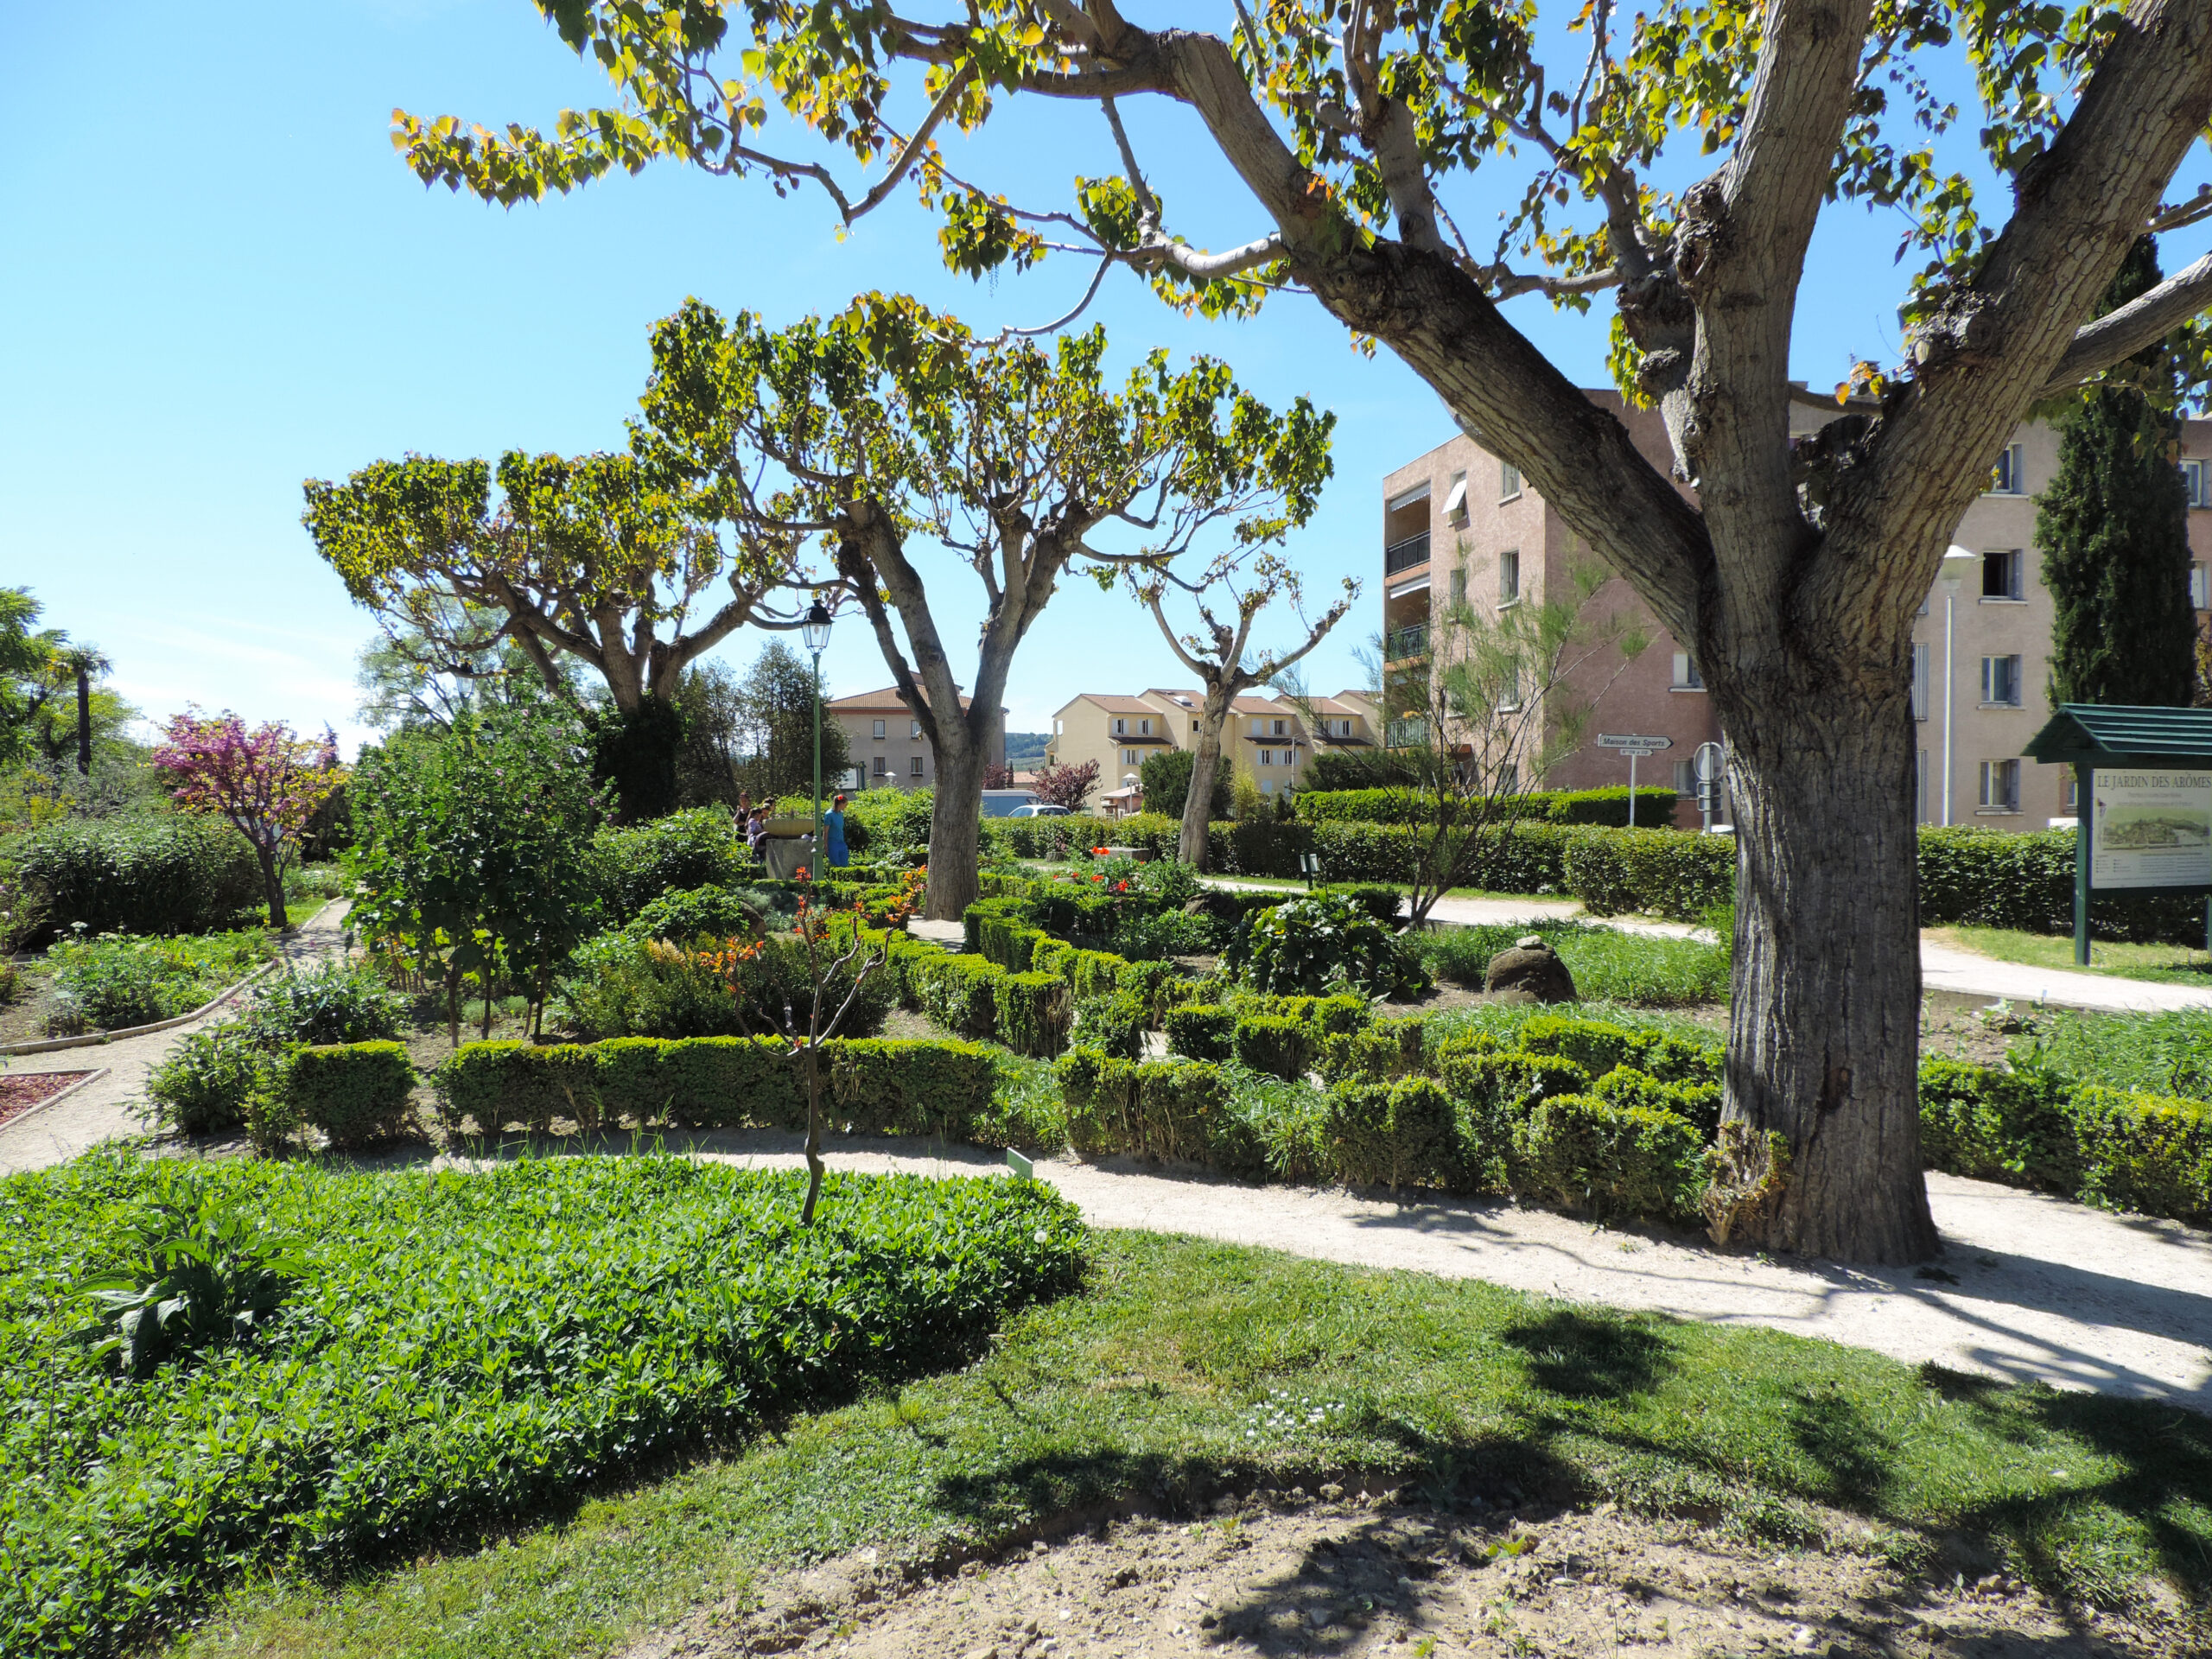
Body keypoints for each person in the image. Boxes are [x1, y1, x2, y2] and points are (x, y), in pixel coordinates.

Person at [823, 792, 849, 869]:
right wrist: (825, 845)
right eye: (845, 804)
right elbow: (826, 831)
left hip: (841, 842)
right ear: (840, 804)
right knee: (836, 865)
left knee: (845, 864)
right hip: (832, 843)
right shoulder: (829, 815)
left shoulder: (841, 813)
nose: (846, 806)